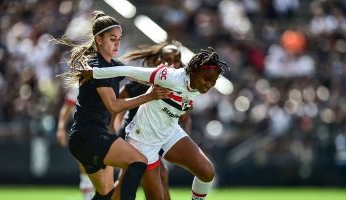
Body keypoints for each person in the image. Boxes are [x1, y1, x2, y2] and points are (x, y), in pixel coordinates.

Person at [79, 47, 229, 200]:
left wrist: (184, 110)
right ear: (194, 71)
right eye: (207, 79)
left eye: (213, 81)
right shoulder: (169, 76)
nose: (209, 84)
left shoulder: (197, 85)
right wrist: (95, 73)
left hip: (169, 132)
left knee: (207, 172)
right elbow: (130, 71)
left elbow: (180, 100)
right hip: (143, 140)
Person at [57, 10, 171, 200]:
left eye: (119, 38)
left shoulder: (111, 65)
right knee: (138, 162)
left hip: (85, 138)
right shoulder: (97, 66)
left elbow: (136, 75)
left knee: (106, 195)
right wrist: (150, 96)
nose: (117, 43)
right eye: (112, 39)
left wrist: (162, 77)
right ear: (99, 40)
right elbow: (113, 106)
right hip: (90, 135)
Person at [114, 41, 191, 200]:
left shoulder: (181, 87)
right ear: (158, 61)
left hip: (156, 137)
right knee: (158, 175)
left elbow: (185, 118)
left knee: (132, 179)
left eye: (175, 60)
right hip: (134, 133)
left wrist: (183, 136)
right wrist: (112, 127)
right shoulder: (141, 83)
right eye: (167, 59)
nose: (171, 64)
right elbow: (116, 104)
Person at [56, 85, 94, 200]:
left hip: (100, 129)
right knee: (85, 168)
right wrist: (61, 128)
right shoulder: (77, 87)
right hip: (82, 130)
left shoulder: (105, 80)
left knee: (100, 170)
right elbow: (67, 107)